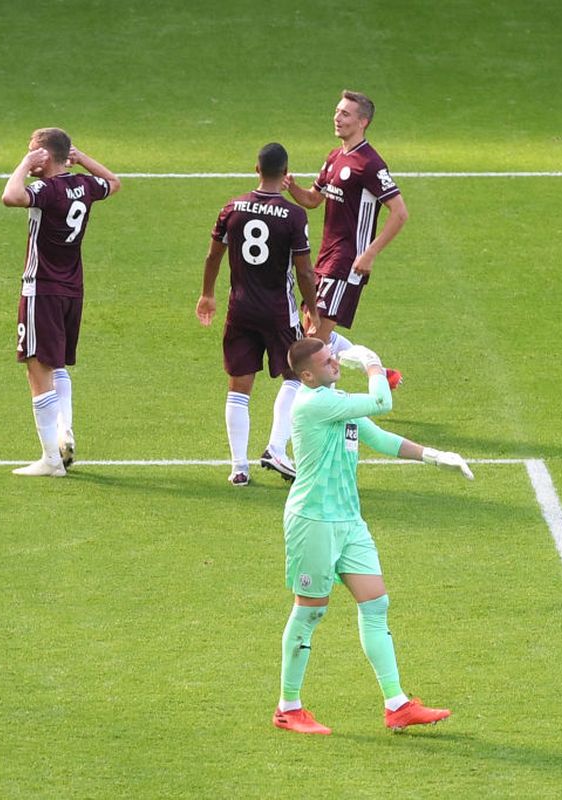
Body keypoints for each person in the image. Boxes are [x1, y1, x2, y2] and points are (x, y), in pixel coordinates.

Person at [272, 337, 473, 735]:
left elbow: (381, 438)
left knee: (376, 604)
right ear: (307, 374)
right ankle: (288, 708)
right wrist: (374, 366)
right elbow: (382, 402)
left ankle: (396, 704)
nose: (335, 363)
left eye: (334, 358)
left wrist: (435, 456)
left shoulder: (338, 402)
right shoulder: (316, 404)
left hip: (349, 521)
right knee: (310, 610)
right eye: (327, 361)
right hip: (314, 521)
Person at [196, 143, 321, 486]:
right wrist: (312, 307)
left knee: (239, 388)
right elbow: (305, 272)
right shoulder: (295, 216)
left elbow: (212, 257)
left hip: (241, 310)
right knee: (296, 378)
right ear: (285, 175)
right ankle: (276, 449)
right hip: (279, 312)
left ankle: (239, 468)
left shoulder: (231, 209)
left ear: (256, 169)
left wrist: (207, 294)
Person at [1, 128, 120, 477]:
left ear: (45, 155)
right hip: (72, 291)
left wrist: (24, 165)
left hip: (41, 289)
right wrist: (81, 159)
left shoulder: (46, 190)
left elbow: (10, 196)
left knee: (37, 368)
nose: (28, 154)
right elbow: (113, 182)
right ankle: (64, 430)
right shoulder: (84, 185)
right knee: (58, 366)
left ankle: (52, 459)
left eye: (32, 150)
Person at [284, 90, 408, 390]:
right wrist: (293, 188)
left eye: (345, 114)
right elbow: (314, 200)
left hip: (347, 261)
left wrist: (370, 254)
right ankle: (379, 371)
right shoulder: (335, 157)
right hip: (325, 257)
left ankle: (314, 411)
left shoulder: (371, 164)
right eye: (337, 111)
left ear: (363, 122)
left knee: (311, 344)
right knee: (311, 332)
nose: (337, 118)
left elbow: (400, 213)